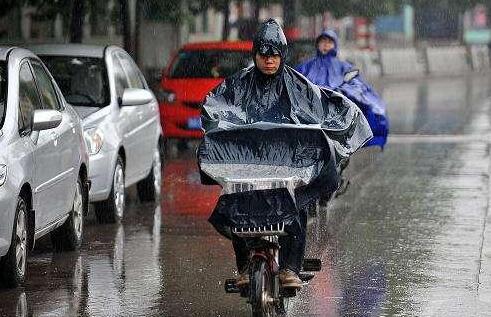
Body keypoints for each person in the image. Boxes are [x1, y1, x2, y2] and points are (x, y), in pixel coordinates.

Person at [198, 20, 372, 290]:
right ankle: (245, 267)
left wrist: (345, 119)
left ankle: (291, 267)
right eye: (264, 55)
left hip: (290, 167)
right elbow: (214, 109)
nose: (269, 61)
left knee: (296, 207)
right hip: (247, 166)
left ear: (282, 56)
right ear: (255, 55)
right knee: (236, 205)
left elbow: (322, 107)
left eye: (275, 55)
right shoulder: (236, 86)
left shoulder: (298, 86)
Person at [296, 30, 388, 149]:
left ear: (334, 44)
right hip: (312, 113)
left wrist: (342, 91)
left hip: (338, 112)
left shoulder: (344, 67)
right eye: (323, 41)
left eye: (329, 42)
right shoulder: (306, 66)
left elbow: (358, 86)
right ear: (318, 44)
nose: (326, 45)